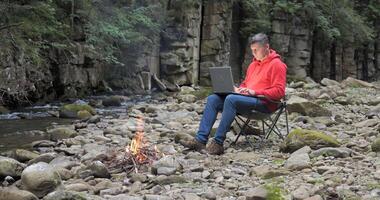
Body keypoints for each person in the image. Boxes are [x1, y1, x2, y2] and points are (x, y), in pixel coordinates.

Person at [183, 33, 287, 155]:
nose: (253, 53)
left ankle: (218, 143)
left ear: (266, 47)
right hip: (247, 100)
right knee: (213, 99)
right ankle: (200, 140)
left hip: (264, 104)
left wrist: (255, 92)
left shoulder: (277, 65)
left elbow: (279, 92)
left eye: (256, 50)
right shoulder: (253, 65)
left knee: (231, 99)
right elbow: (246, 84)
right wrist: (239, 89)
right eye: (252, 50)